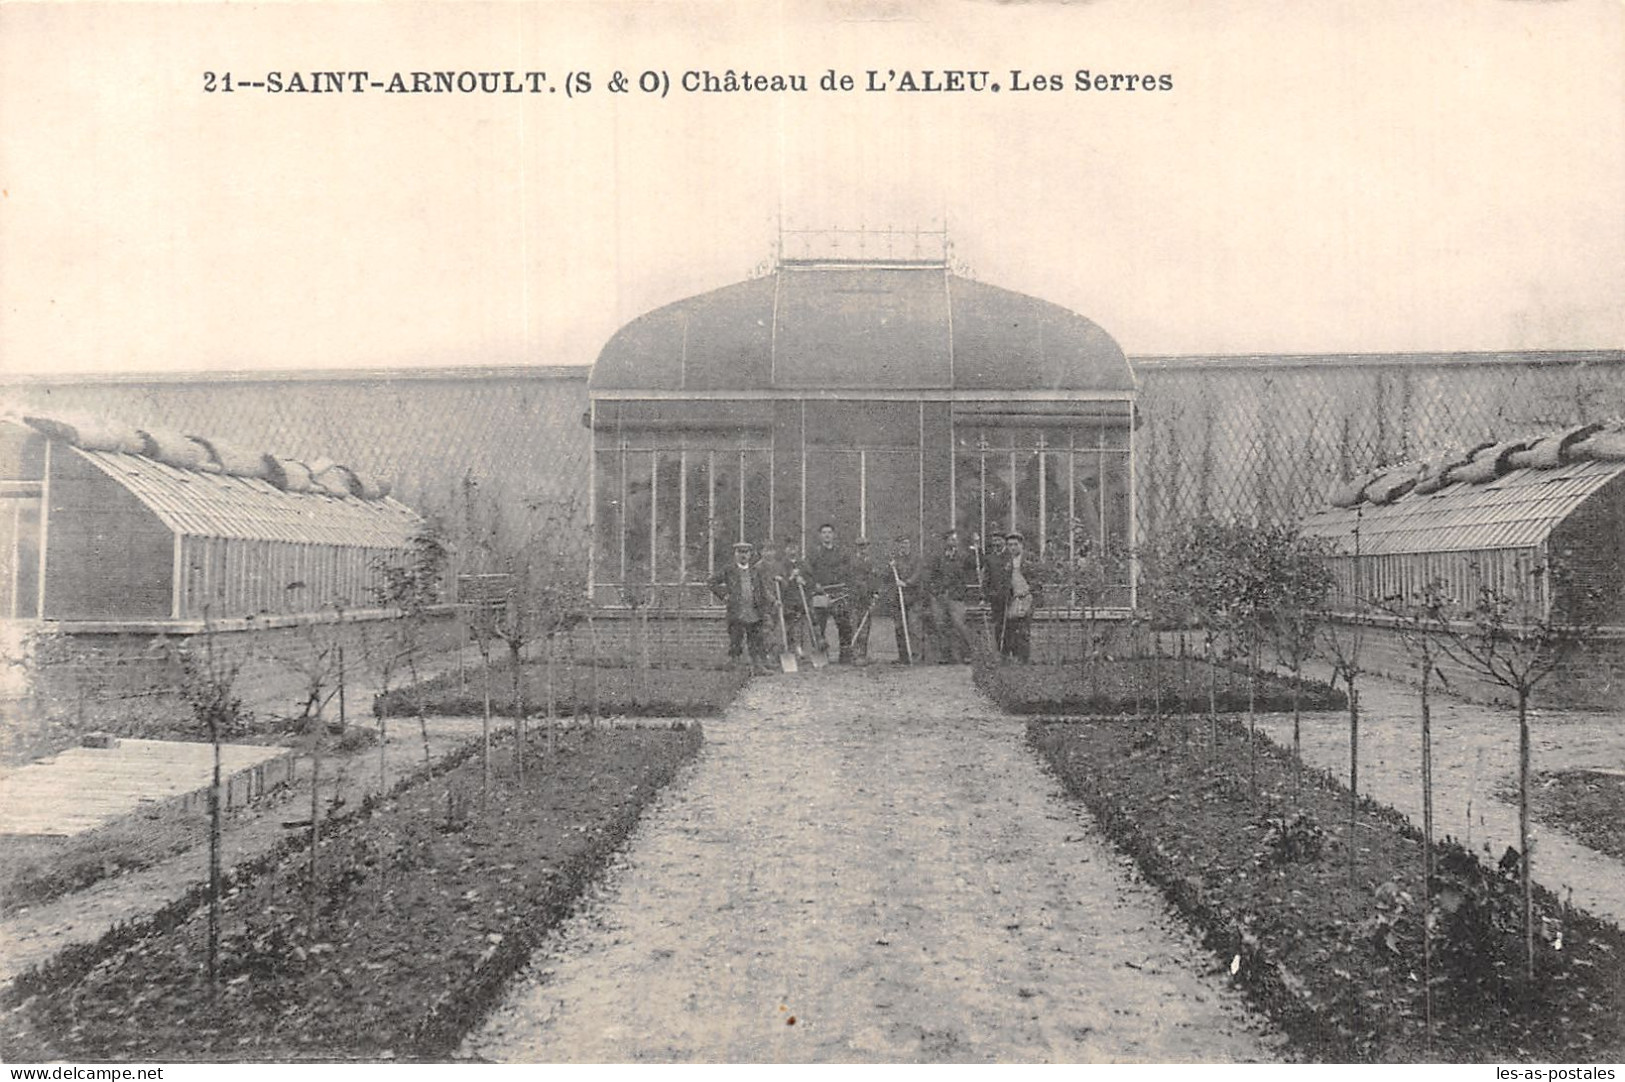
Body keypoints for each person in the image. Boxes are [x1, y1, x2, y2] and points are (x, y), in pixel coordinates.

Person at [709, 541, 771, 672]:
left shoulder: (755, 571)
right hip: (737, 610)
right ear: (735, 554)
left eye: (746, 553)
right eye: (740, 552)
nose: (743, 556)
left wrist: (770, 603)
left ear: (750, 554)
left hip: (753, 610)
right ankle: (734, 664)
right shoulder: (729, 570)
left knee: (755, 639)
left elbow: (762, 589)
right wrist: (724, 595)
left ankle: (758, 666)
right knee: (736, 638)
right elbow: (711, 582)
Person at [926, 528, 980, 664]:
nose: (954, 542)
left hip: (956, 596)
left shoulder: (963, 556)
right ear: (945, 541)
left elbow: (977, 564)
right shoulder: (938, 557)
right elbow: (932, 575)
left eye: (955, 540)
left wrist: (976, 547)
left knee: (959, 625)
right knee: (941, 625)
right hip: (940, 596)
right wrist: (936, 591)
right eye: (951, 539)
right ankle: (946, 656)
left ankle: (968, 654)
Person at [806, 522, 855, 663]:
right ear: (820, 536)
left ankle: (845, 656)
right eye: (824, 533)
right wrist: (815, 585)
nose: (827, 535)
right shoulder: (814, 553)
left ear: (834, 535)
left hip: (838, 593)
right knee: (819, 625)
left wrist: (845, 586)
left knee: (844, 624)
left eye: (829, 532)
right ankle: (821, 656)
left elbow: (848, 570)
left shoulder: (841, 552)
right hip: (821, 594)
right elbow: (808, 572)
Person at [992, 530, 1043, 662]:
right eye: (1010, 545)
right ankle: (1011, 656)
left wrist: (1028, 592)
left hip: (1027, 597)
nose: (1012, 548)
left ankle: (1023, 658)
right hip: (1013, 598)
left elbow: (1038, 578)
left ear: (1021, 545)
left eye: (1015, 544)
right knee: (1010, 627)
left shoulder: (1029, 558)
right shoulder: (1007, 561)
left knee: (1023, 628)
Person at [884, 533, 924, 664]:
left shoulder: (916, 559)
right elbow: (887, 578)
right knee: (899, 628)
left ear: (910, 544)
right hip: (898, 599)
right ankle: (903, 657)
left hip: (913, 598)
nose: (904, 546)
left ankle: (916, 657)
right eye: (901, 544)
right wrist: (890, 568)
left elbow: (917, 575)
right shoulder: (895, 560)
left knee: (913, 627)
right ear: (898, 546)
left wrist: (906, 583)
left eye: (906, 543)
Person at [848, 536, 882, 665]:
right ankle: (855, 655)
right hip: (855, 598)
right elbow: (854, 580)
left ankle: (863, 654)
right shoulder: (853, 562)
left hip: (867, 598)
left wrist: (875, 593)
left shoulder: (871, 562)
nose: (864, 549)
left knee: (866, 627)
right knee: (855, 625)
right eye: (861, 546)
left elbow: (876, 579)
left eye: (866, 546)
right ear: (857, 547)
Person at [984, 531, 1009, 653]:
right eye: (994, 541)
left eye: (999, 540)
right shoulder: (990, 558)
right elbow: (986, 578)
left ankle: (1011, 651)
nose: (996, 543)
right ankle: (1000, 651)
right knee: (998, 625)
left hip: (1010, 597)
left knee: (1010, 624)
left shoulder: (1010, 556)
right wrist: (986, 594)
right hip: (996, 597)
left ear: (1004, 541)